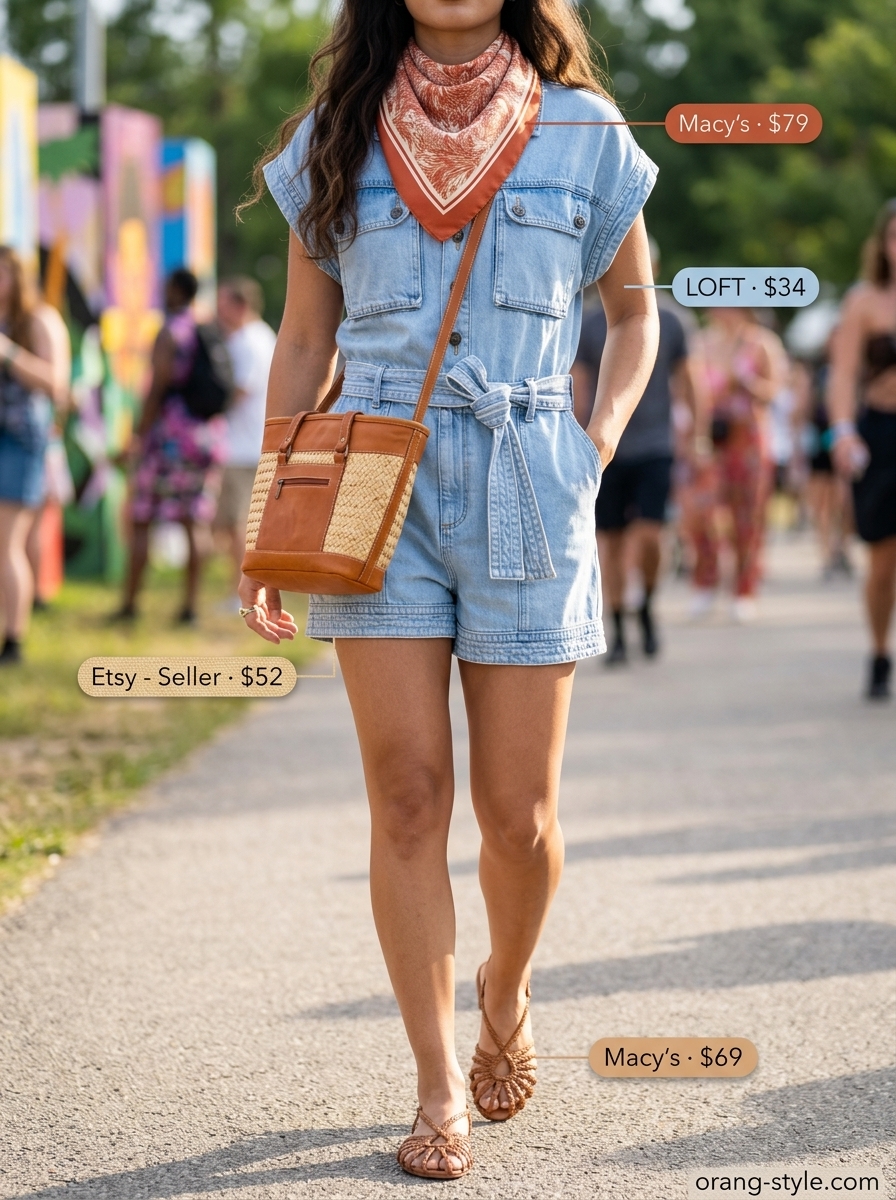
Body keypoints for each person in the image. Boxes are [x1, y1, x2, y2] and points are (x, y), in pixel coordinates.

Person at [238, 0, 659, 1181]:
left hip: (530, 473)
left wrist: (593, 443)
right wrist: (270, 518)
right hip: (373, 487)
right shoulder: (333, 132)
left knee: (517, 817)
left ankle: (504, 989)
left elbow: (633, 313)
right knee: (407, 794)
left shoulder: (584, 130)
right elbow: (302, 339)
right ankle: (434, 1085)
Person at [572, 242, 699, 662]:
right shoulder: (589, 323)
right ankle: (618, 624)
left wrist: (697, 436)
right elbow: (579, 383)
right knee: (609, 540)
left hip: (655, 443)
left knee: (649, 535)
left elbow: (688, 380)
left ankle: (646, 602)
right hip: (604, 446)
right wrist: (577, 435)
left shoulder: (672, 320)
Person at [117, 269, 226, 624]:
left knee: (141, 517)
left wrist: (138, 434)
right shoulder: (207, 328)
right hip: (204, 437)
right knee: (194, 521)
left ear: (177, 291)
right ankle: (190, 607)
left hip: (169, 439)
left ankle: (130, 605)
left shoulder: (170, 332)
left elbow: (157, 387)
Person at [829, 198, 896, 699]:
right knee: (883, 561)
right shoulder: (865, 302)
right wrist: (843, 430)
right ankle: (878, 651)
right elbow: (844, 374)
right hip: (881, 434)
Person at [688, 307, 784, 622]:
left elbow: (774, 392)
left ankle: (744, 588)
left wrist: (745, 382)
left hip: (749, 441)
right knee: (704, 513)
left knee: (747, 517)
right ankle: (705, 580)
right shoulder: (702, 343)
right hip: (713, 441)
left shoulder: (761, 343)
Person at [0, 248, 69, 664]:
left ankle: (14, 640)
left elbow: (57, 384)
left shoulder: (40, 319)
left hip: (21, 440)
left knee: (7, 542)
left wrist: (8, 354)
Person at [213, 277, 276, 593]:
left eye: (223, 304)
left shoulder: (250, 341)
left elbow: (240, 389)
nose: (218, 311)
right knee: (234, 523)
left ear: (239, 306)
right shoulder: (259, 336)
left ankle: (244, 591)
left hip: (244, 446)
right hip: (247, 443)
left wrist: (209, 411)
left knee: (240, 524)